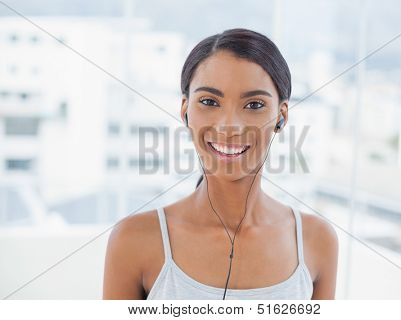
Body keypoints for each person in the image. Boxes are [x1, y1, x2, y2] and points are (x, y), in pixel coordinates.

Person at [103, 28, 338, 300]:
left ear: (281, 116)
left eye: (253, 105)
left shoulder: (317, 241)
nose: (230, 127)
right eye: (209, 101)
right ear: (185, 111)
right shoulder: (134, 241)